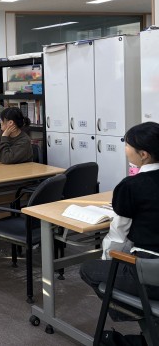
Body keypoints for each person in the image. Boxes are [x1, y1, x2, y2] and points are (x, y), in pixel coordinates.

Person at [80, 122, 159, 308]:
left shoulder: (131, 186)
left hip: (150, 275)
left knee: (88, 269)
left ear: (143, 154)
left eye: (127, 144)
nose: (125, 149)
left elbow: (118, 235)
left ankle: (144, 318)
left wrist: (108, 261)